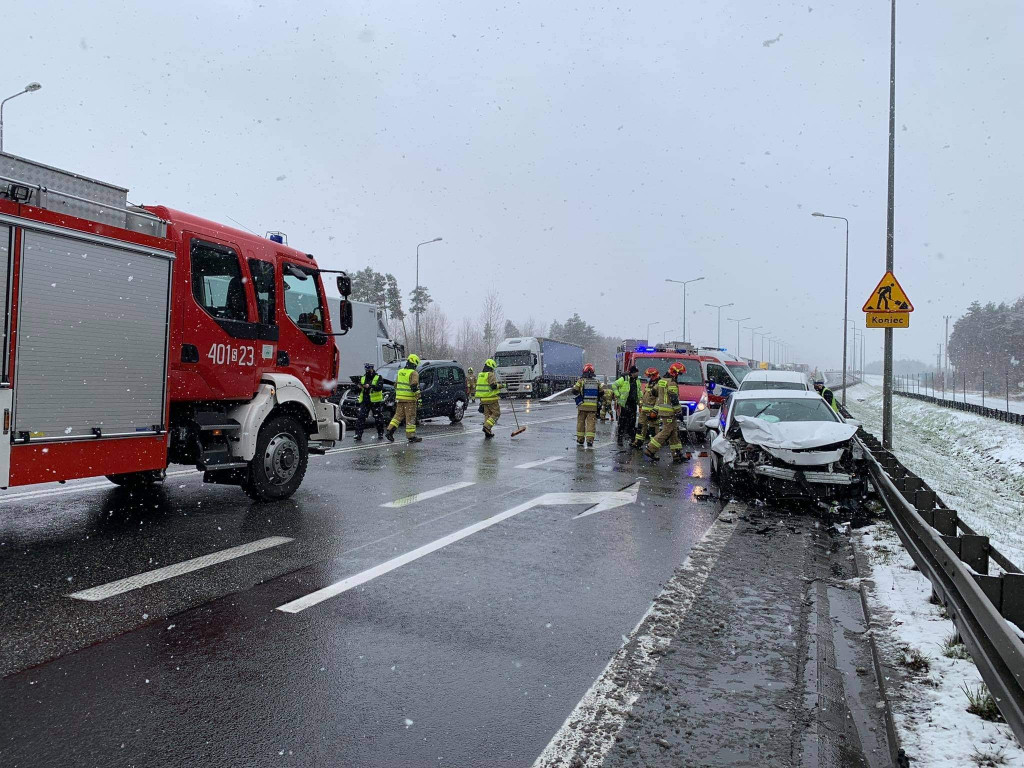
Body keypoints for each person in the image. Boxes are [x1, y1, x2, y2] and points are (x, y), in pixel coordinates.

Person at [644, 362, 687, 464]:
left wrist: (661, 398)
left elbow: (654, 392)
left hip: (663, 411)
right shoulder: (671, 382)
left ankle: (677, 455)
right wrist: (679, 411)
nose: (679, 376)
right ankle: (650, 449)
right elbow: (674, 399)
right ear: (675, 373)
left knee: (673, 433)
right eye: (679, 373)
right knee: (666, 432)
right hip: (669, 412)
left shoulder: (662, 381)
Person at [386, 353, 423, 443]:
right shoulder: (413, 373)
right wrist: (419, 398)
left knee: (398, 416)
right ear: (414, 362)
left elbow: (396, 385)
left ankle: (390, 431)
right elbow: (414, 386)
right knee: (410, 417)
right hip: (410, 400)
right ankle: (411, 436)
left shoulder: (400, 371)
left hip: (400, 399)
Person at [572, 363, 602, 447]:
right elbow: (602, 392)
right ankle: (589, 440)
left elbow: (574, 391)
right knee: (591, 424)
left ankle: (580, 439)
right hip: (593, 408)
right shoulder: (597, 381)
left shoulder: (581, 381)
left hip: (582, 406)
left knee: (580, 423)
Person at [353, 362, 385, 441]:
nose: (367, 371)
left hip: (375, 401)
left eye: (368, 369)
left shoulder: (378, 377)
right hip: (365, 400)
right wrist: (358, 387)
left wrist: (370, 386)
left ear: (372, 369)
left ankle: (380, 433)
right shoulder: (363, 377)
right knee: (361, 417)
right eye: (366, 369)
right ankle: (358, 434)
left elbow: (379, 387)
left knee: (378, 418)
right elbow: (355, 390)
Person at [632, 367, 661, 449]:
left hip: (652, 411)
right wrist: (640, 405)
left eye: (651, 376)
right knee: (641, 426)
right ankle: (638, 442)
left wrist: (655, 411)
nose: (650, 378)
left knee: (653, 428)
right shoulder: (649, 384)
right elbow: (643, 396)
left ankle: (653, 446)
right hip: (644, 410)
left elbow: (659, 400)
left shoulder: (659, 385)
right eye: (649, 376)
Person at [614, 365, 642, 447]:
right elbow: (614, 385)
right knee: (622, 422)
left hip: (633, 404)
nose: (637, 374)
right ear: (633, 373)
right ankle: (620, 439)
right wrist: (617, 394)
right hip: (625, 404)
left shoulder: (637, 380)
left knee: (632, 423)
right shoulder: (624, 379)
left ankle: (632, 440)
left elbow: (639, 391)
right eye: (636, 372)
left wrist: (640, 399)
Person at [476, 359, 503, 438]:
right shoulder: (490, 374)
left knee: (487, 415)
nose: (493, 370)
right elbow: (493, 386)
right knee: (496, 414)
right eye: (493, 368)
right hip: (491, 399)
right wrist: (502, 385)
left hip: (483, 399)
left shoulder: (481, 374)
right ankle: (487, 427)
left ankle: (488, 432)